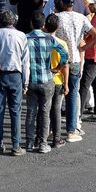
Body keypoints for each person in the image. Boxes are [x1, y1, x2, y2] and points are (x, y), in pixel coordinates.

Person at [54, 0, 96, 143]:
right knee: (73, 95)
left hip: (58, 60)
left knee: (55, 96)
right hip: (74, 59)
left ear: (62, 4)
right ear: (73, 4)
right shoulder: (81, 18)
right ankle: (71, 130)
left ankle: (51, 130)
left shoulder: (57, 18)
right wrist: (84, 48)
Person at [25, 12, 69, 154]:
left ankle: (29, 142)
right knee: (45, 112)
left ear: (32, 23)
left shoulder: (25, 38)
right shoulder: (50, 38)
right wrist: (57, 68)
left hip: (31, 80)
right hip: (47, 80)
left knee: (31, 112)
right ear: (43, 24)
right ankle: (43, 143)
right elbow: (65, 55)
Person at [0, 10, 29, 155]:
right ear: (14, 21)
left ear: (0, 21)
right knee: (15, 111)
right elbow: (25, 61)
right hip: (16, 75)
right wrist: (26, 82)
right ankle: (16, 145)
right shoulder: (22, 35)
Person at [44, 14, 70, 147]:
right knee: (56, 110)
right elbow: (65, 65)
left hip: (44, 79)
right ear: (58, 27)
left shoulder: (41, 41)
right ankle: (56, 138)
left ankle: (41, 137)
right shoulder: (61, 43)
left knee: (43, 110)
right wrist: (66, 84)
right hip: (58, 80)